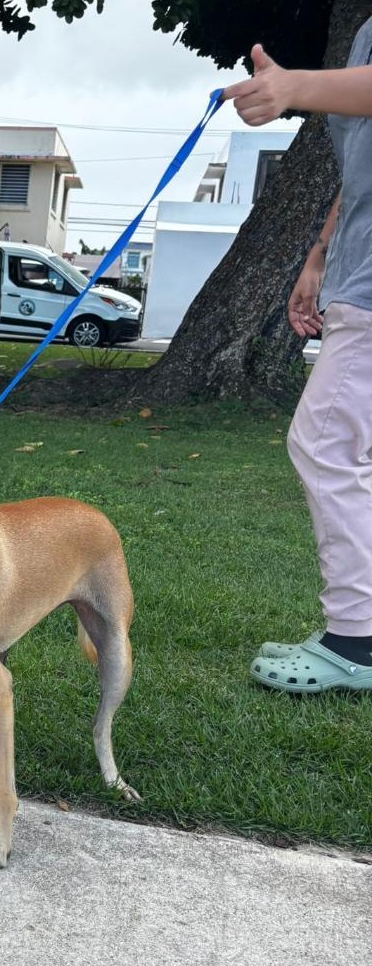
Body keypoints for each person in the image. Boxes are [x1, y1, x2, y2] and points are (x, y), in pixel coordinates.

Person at [224, 25, 372, 692]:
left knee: (324, 443)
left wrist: (293, 88)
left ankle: (356, 640)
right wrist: (319, 254)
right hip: (357, 276)